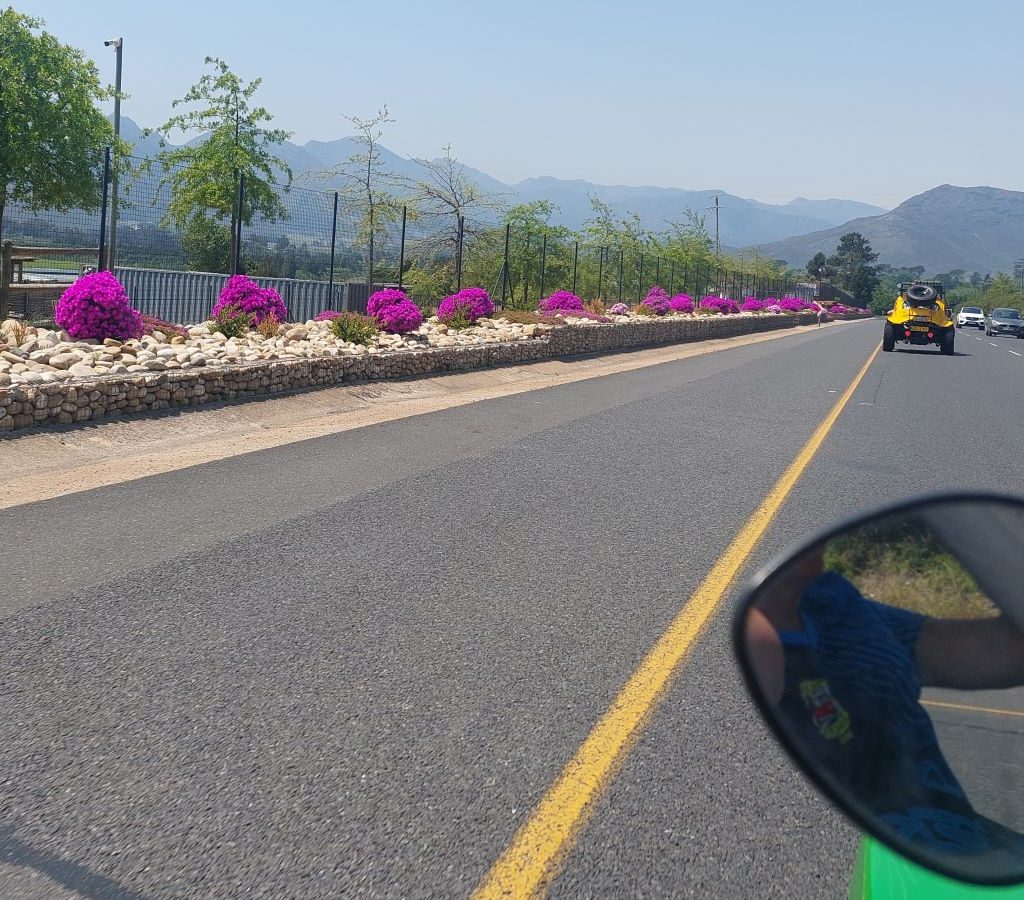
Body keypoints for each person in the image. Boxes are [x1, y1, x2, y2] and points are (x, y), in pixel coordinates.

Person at [747, 544, 1024, 861]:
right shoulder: (758, 637)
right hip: (907, 865)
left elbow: (992, 650)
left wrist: (976, 540)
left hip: (970, 848)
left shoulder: (838, 605)